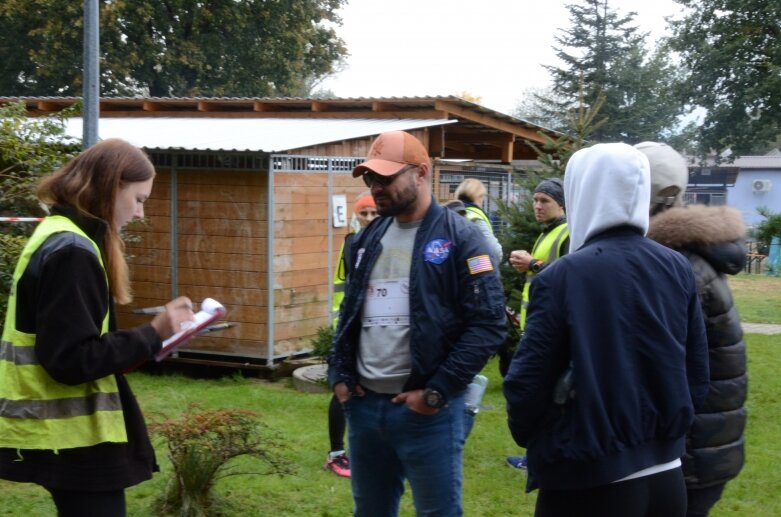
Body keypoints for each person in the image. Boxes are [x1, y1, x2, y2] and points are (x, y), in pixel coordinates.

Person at [503, 142, 710, 517]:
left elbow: (526, 383)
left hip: (591, 476)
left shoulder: (563, 277)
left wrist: (546, 434)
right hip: (666, 476)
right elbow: (696, 371)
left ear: (581, 191)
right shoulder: (675, 267)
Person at [0, 138, 196, 516]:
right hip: (70, 436)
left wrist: (152, 340)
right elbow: (73, 359)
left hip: (60, 433)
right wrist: (153, 332)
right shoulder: (73, 251)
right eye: (138, 199)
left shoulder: (57, 234)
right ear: (110, 186)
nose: (140, 213)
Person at [328, 130, 506, 517]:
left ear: (421, 173)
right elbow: (349, 312)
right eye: (371, 179)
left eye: (387, 178)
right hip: (364, 408)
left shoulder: (462, 239)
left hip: (427, 413)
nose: (376, 188)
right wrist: (340, 375)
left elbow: (489, 323)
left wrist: (437, 392)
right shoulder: (367, 239)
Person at [637, 141, 747, 517]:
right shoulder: (688, 257)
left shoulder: (675, 267)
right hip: (705, 445)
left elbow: (654, 365)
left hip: (690, 453)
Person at [504, 177, 569, 470]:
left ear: (562, 205)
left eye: (545, 201)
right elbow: (537, 280)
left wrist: (532, 263)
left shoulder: (567, 232)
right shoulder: (546, 234)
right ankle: (535, 455)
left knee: (541, 394)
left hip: (553, 330)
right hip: (535, 325)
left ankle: (539, 457)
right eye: (535, 200)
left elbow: (570, 272)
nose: (538, 206)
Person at [325, 192, 378, 478]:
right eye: (364, 213)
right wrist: (341, 332)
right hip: (349, 330)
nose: (369, 219)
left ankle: (365, 451)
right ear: (356, 216)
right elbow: (342, 290)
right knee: (343, 390)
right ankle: (335, 453)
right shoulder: (351, 245)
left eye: (373, 213)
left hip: (374, 331)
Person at [454, 178, 503, 264]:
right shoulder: (475, 218)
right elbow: (495, 252)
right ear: (478, 196)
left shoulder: (451, 214)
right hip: (472, 273)